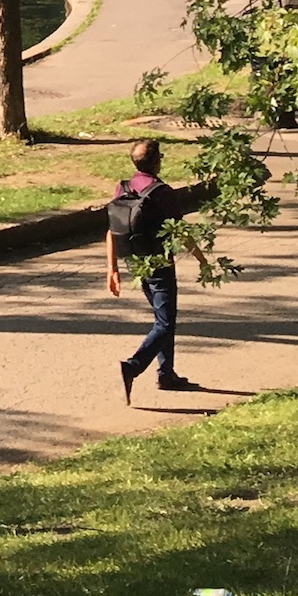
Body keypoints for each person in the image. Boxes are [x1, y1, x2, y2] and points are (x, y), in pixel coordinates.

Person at [106, 139, 216, 403]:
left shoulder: (123, 187)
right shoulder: (160, 192)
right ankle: (133, 365)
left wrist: (112, 269)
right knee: (165, 323)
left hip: (135, 262)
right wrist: (202, 260)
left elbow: (112, 231)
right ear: (157, 161)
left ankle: (166, 374)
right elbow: (180, 231)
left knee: (162, 319)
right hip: (159, 263)